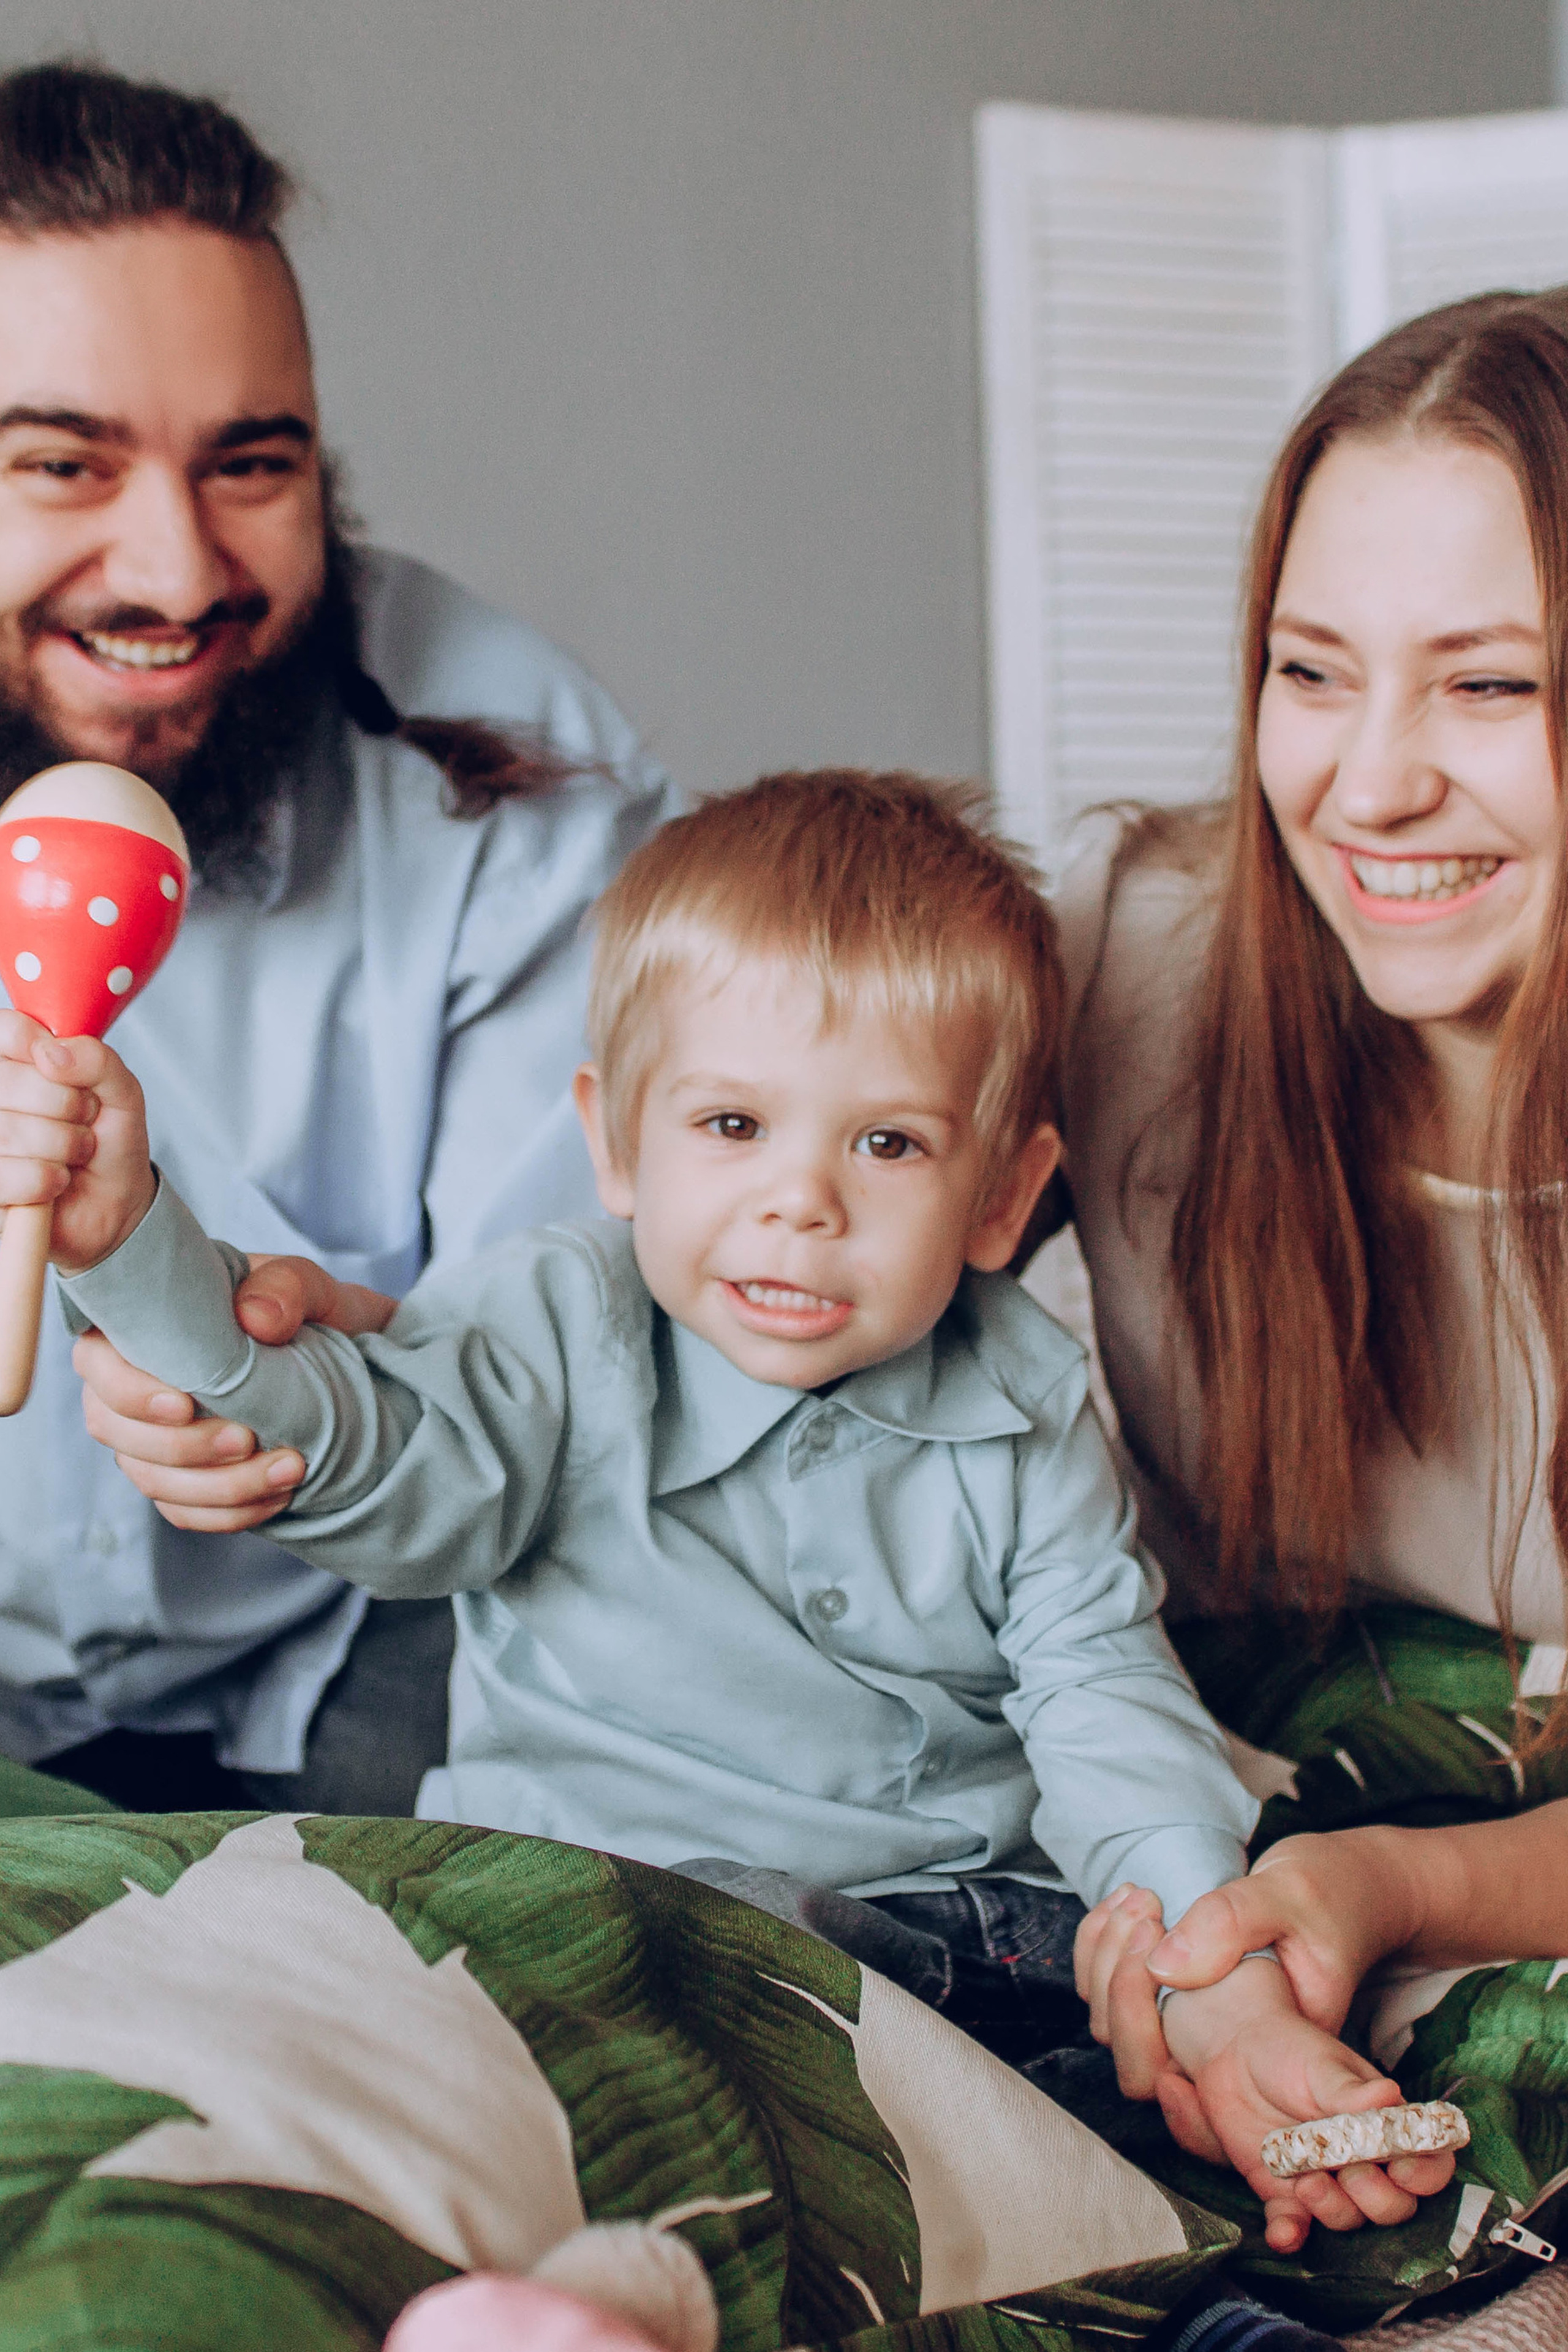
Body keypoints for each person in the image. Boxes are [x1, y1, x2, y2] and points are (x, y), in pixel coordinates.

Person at [3, 769, 1453, 2270]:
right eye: (732, 1123)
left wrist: (1207, 1956)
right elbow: (375, 1452)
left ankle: (1163, 2154)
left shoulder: (1019, 1389)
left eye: (887, 1144)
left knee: (1096, 2040)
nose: (799, 1202)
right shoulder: (557, 1323)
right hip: (594, 1917)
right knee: (427, 2027)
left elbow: (1099, 1685)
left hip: (936, 1930)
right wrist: (130, 1244)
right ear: (616, 1144)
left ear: (1002, 1199)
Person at [0, 62, 674, 1813]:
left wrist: (366, 1372)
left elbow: (566, 1408)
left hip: (358, 1646)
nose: (174, 573)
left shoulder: (516, 777)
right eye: (60, 465)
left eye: (251, 464)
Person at [1049, 289, 1568, 2129]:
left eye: (1490, 684)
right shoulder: (1126, 951)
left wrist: (1386, 1889)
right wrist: (366, 1364)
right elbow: (757, 1234)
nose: (1370, 785)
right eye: (1311, 671)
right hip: (1191, 1806)